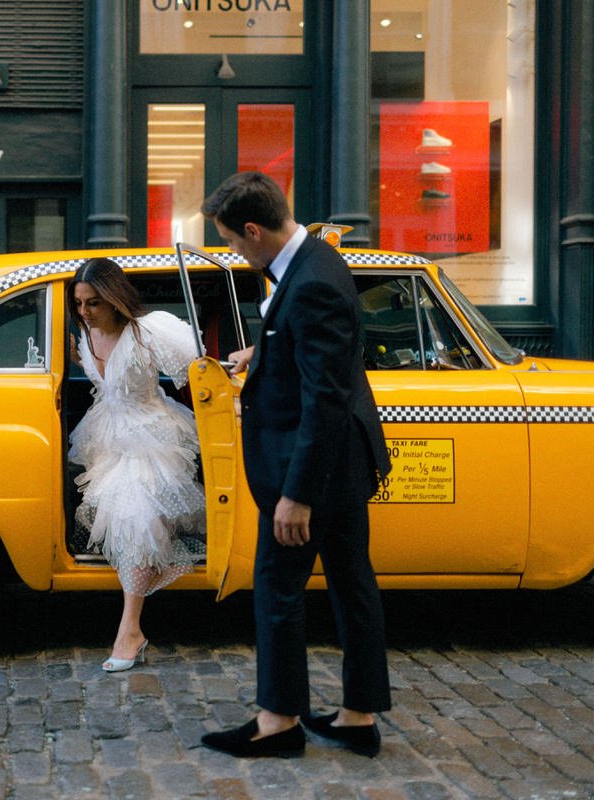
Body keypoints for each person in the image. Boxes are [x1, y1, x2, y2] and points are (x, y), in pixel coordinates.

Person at [198, 172, 393, 758]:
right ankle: (359, 716)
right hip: (341, 462)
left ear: (254, 230)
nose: (234, 250)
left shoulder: (310, 282)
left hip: (313, 469)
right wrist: (265, 352)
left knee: (277, 591)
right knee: (353, 585)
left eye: (232, 240)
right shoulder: (316, 261)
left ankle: (277, 723)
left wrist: (296, 495)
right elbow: (321, 356)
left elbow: (326, 397)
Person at [66, 257, 205, 672]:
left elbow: (198, 367)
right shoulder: (84, 334)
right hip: (104, 437)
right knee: (117, 512)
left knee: (135, 516)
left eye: (94, 303)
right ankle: (131, 629)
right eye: (79, 303)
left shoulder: (148, 332)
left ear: (114, 298)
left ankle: (130, 629)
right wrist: (80, 362)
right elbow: (102, 380)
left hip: (152, 437)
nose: (85, 312)